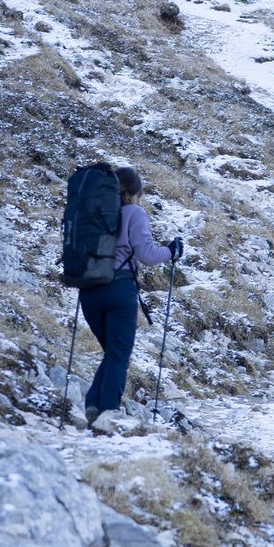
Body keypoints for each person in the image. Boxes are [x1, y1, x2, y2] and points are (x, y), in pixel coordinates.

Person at [79, 166, 183, 432]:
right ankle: (108, 413)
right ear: (134, 192)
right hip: (119, 289)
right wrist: (171, 252)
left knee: (113, 352)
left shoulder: (94, 213)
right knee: (118, 355)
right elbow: (147, 254)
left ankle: (93, 404)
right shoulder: (133, 212)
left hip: (89, 290)